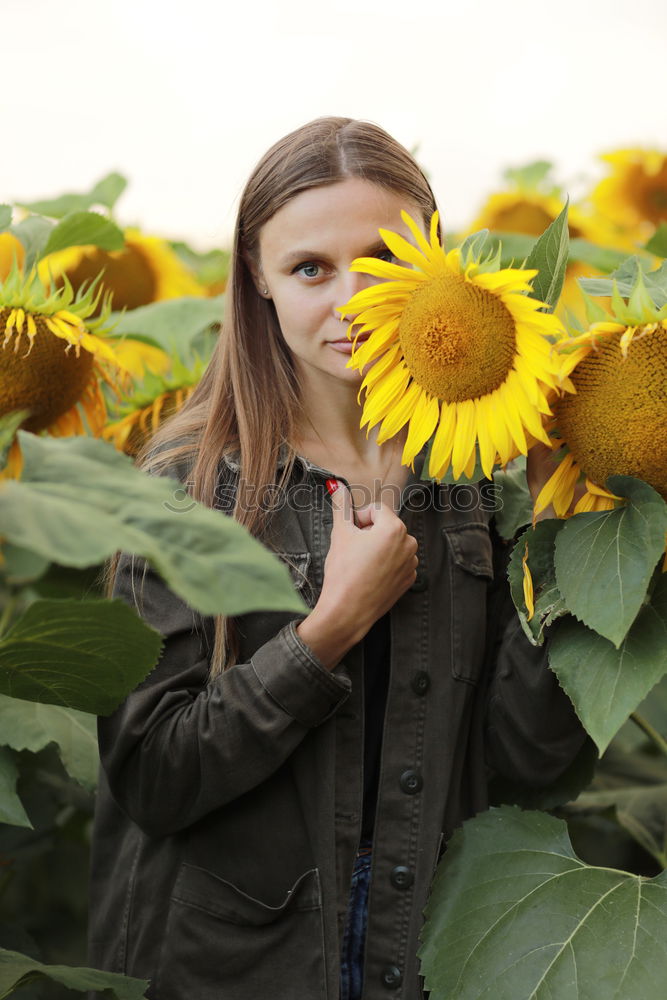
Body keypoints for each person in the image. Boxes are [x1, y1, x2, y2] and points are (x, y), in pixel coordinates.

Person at [87, 117, 587, 1000]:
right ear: (259, 280)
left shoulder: (473, 477)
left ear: (433, 260)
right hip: (235, 967)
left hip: (417, 944)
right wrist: (327, 632)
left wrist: (561, 524)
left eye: (385, 259)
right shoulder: (189, 484)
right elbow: (154, 777)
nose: (352, 300)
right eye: (310, 268)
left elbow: (526, 762)